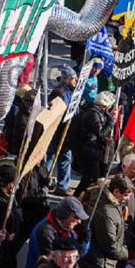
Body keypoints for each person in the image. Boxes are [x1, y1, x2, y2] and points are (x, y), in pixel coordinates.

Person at [80, 175, 134, 268]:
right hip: (100, 264)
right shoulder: (106, 213)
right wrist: (126, 253)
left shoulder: (108, 201)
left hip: (100, 261)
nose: (128, 199)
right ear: (116, 192)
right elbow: (110, 246)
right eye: (126, 195)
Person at [24, 196, 90, 268]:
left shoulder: (66, 228)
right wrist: (81, 249)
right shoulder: (44, 232)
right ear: (65, 214)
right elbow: (61, 262)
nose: (79, 222)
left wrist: (85, 241)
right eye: (76, 217)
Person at [73, 91, 118, 197]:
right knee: (91, 180)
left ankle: (78, 199)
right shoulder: (93, 114)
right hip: (87, 152)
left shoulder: (98, 113)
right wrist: (112, 120)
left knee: (88, 179)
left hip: (91, 151)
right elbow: (101, 133)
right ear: (104, 106)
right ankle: (77, 199)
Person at [46, 64, 77, 196]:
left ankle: (50, 181)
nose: (76, 81)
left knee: (55, 156)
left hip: (63, 130)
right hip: (59, 130)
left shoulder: (69, 90)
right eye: (73, 78)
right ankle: (57, 184)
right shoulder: (61, 92)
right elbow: (58, 112)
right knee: (60, 156)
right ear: (66, 79)